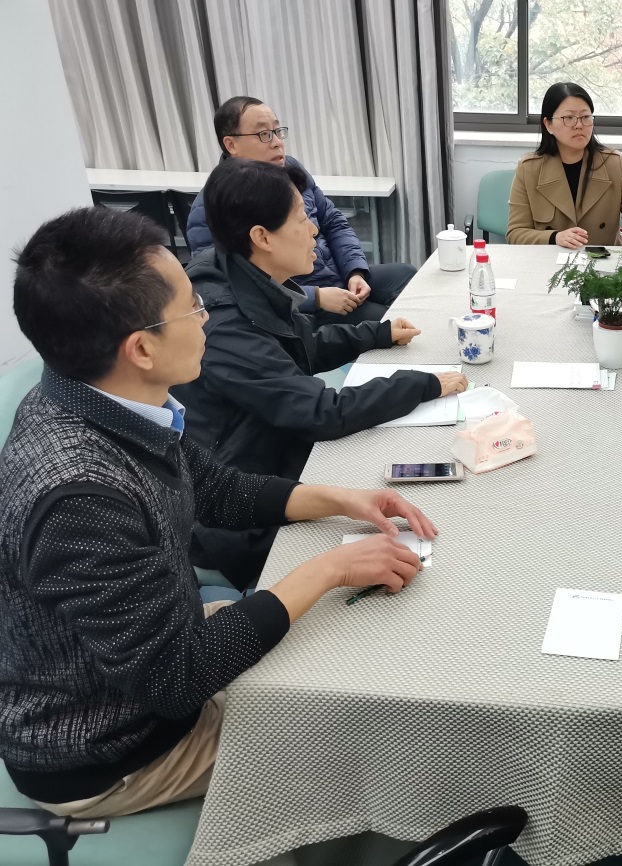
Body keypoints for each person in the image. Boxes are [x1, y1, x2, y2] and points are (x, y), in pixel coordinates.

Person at [0, 206, 435, 817]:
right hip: (117, 744)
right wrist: (331, 568)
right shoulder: (80, 498)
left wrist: (343, 498)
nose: (207, 319)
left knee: (353, 646)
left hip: (157, 651)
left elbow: (218, 489)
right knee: (368, 731)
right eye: (193, 308)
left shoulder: (101, 399)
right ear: (141, 348)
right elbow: (176, 679)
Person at [175, 158, 467, 587]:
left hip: (279, 458)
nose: (314, 229)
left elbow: (303, 345)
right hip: (245, 515)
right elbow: (322, 412)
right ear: (261, 237)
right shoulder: (224, 324)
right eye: (301, 219)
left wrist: (377, 333)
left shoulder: (246, 277)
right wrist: (421, 384)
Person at [186, 96, 412, 326]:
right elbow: (231, 286)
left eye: (277, 131)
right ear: (231, 144)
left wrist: (355, 271)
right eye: (263, 134)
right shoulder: (212, 206)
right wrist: (315, 297)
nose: (277, 143)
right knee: (388, 320)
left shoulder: (291, 169)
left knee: (407, 276)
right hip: (300, 305)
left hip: (336, 275)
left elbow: (333, 222)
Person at [507, 82, 622, 249]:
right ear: (548, 124)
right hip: (550, 260)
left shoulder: (614, 164)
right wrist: (555, 237)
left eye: (585, 117)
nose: (579, 125)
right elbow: (515, 233)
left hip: (604, 261)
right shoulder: (529, 169)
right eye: (569, 118)